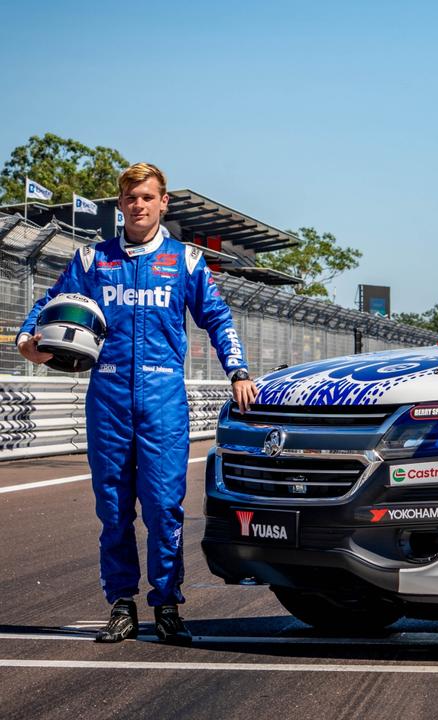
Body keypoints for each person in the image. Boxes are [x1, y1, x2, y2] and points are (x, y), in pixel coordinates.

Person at [15, 163, 257, 644]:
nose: (138, 205)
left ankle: (167, 605)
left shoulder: (186, 262)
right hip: (107, 399)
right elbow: (48, 304)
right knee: (113, 509)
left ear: (163, 202)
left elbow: (218, 317)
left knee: (165, 508)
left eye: (147, 197)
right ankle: (121, 605)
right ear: (120, 205)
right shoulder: (91, 260)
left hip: (163, 401)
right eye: (130, 198)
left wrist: (238, 371)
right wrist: (28, 339)